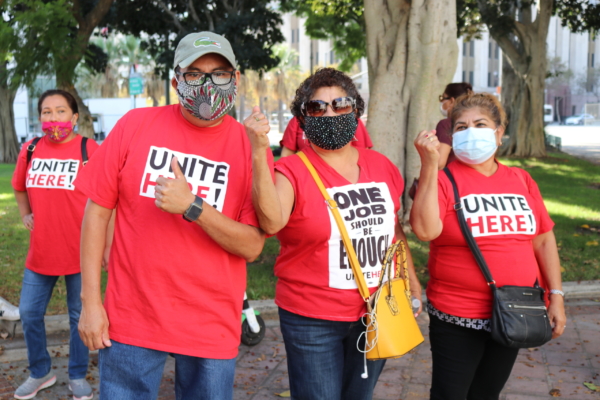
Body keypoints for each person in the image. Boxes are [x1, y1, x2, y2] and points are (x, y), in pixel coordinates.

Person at [74, 31, 270, 400]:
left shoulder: (249, 147)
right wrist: (90, 303)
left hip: (210, 321)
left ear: (236, 78)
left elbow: (252, 246)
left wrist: (193, 207)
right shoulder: (135, 125)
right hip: (132, 316)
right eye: (195, 74)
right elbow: (96, 212)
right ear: (176, 79)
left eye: (219, 73)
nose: (208, 83)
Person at [245, 67, 422, 400]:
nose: (330, 113)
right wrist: (258, 152)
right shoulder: (290, 170)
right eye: (317, 107)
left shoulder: (381, 165)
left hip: (377, 309)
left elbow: (393, 231)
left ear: (356, 110)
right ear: (302, 118)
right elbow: (270, 222)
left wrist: (410, 280)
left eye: (341, 104)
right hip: (313, 317)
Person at [410, 92, 566, 400]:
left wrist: (557, 296)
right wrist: (430, 166)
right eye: (461, 127)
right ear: (451, 136)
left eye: (480, 124)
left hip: (515, 311)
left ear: (498, 132)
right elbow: (425, 230)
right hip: (457, 315)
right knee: (450, 394)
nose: (470, 132)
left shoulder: (521, 179)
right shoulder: (443, 181)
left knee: (487, 393)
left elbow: (543, 239)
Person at [11, 89, 100, 400]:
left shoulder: (90, 149)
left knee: (80, 317)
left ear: (74, 117)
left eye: (60, 111)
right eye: (46, 112)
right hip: (42, 251)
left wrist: (105, 246)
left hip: (80, 253)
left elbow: (108, 201)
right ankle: (40, 372)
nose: (53, 118)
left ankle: (77, 374)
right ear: (40, 118)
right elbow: (19, 187)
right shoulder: (31, 149)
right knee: (28, 313)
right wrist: (25, 214)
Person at [280, 115, 373, 157]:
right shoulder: (298, 120)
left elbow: (364, 154)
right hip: (307, 177)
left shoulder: (352, 120)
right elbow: (287, 154)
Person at [436, 82, 472, 169]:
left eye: (443, 98)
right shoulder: (476, 123)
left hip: (452, 177)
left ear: (452, 101)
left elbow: (439, 163)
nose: (441, 101)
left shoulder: (446, 124)